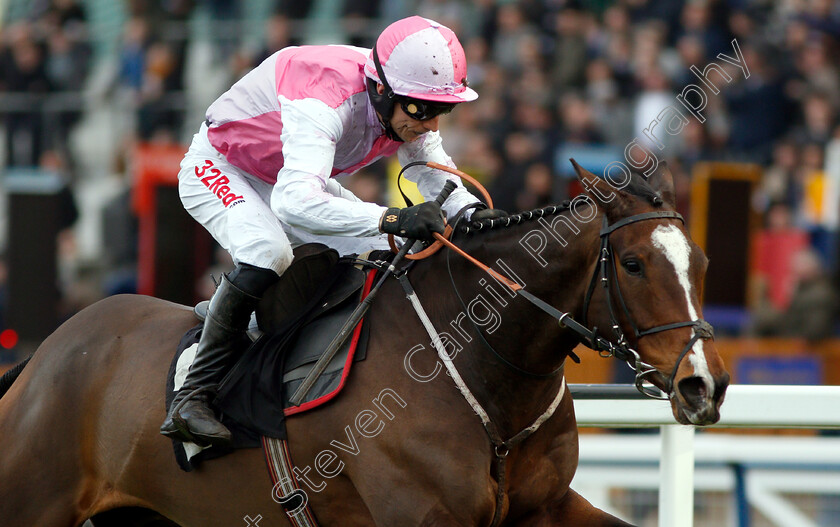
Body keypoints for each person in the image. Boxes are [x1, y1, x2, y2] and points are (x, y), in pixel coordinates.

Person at [161, 16, 505, 446]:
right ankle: (192, 393)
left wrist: (472, 214)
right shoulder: (325, 99)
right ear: (381, 90)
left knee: (390, 249)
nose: (432, 123)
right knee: (269, 252)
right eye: (422, 110)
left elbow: (432, 172)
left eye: (443, 110)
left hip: (286, 176)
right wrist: (394, 216)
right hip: (220, 166)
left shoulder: (403, 97)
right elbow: (294, 202)